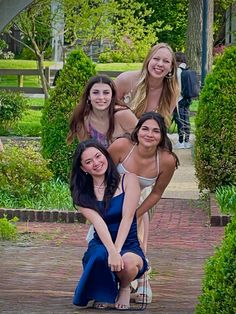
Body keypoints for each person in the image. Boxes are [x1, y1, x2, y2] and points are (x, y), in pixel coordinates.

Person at [108, 112, 179, 304]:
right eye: (145, 129)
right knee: (107, 242)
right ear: (137, 130)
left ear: (162, 136)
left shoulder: (167, 160)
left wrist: (135, 214)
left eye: (156, 131)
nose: (149, 134)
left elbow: (156, 192)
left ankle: (143, 278)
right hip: (113, 199)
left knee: (137, 241)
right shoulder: (122, 147)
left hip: (143, 201)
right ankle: (112, 284)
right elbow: (103, 176)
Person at [70, 139, 148, 310]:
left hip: (128, 242)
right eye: (89, 162)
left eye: (98, 156)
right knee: (99, 256)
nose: (96, 163)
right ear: (83, 168)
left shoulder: (128, 180)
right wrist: (111, 251)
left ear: (105, 155)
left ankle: (125, 288)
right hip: (102, 241)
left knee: (126, 263)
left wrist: (117, 251)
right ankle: (104, 291)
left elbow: (128, 217)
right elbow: (98, 223)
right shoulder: (82, 194)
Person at [114, 42, 179, 127]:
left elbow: (162, 126)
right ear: (148, 60)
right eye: (156, 59)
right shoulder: (126, 80)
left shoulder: (172, 92)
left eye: (166, 61)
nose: (160, 64)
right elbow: (106, 109)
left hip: (148, 138)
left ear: (171, 68)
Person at [67, 75, 138, 148]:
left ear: (112, 96)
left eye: (106, 93)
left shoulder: (123, 114)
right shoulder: (83, 120)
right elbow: (87, 151)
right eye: (95, 92)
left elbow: (142, 142)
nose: (101, 97)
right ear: (89, 96)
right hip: (100, 159)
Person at [172, 52, 192, 149]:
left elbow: (177, 88)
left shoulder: (178, 71)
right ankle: (187, 141)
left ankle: (180, 142)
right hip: (187, 99)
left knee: (180, 120)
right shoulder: (187, 70)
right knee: (186, 119)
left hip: (179, 99)